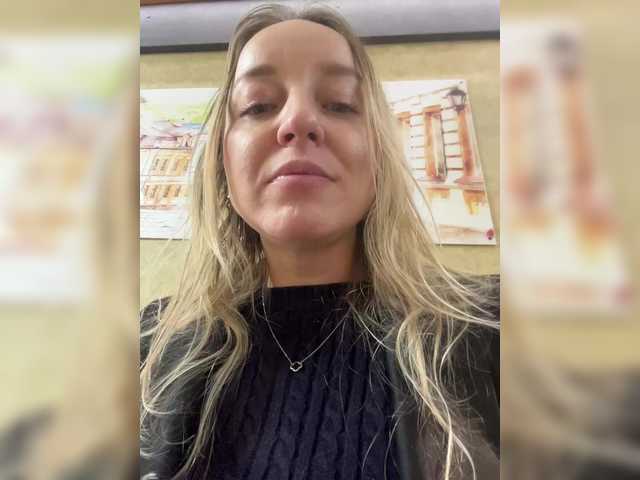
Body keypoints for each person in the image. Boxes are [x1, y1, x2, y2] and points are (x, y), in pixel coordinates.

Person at [140, 4, 499, 479]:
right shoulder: (152, 342)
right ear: (224, 164)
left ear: (378, 156)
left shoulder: (493, 325)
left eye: (340, 103)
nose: (298, 120)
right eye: (258, 105)